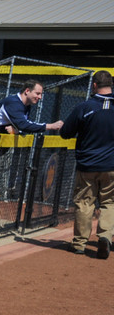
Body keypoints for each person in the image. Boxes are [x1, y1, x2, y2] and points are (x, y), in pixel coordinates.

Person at [58, 70, 114, 258]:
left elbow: (65, 132)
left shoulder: (85, 106)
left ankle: (80, 243)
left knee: (84, 203)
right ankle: (105, 236)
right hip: (111, 166)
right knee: (109, 202)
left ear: (95, 85)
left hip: (88, 164)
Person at [0, 80, 63, 148]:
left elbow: (22, 127)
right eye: (37, 93)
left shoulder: (26, 105)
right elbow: (23, 125)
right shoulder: (13, 103)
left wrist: (17, 130)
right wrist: (51, 126)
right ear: (27, 91)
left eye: (41, 94)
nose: (40, 97)